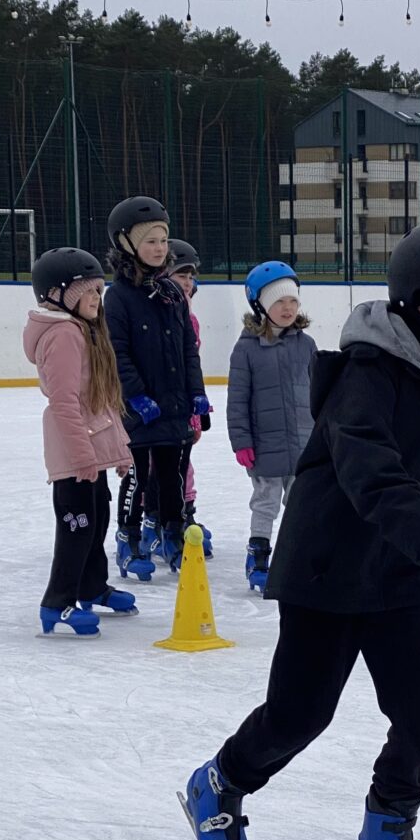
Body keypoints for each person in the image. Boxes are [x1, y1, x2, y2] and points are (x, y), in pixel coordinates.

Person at [179, 220, 420, 840]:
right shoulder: (369, 376)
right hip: (327, 567)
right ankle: (219, 783)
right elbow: (373, 475)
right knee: (300, 715)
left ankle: (386, 839)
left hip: (389, 567)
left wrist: (418, 547)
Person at [23, 247, 135, 637]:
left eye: (99, 291)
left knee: (97, 518)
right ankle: (57, 602)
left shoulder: (84, 330)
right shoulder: (64, 334)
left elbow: (99, 401)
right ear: (60, 295)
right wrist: (83, 455)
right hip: (75, 451)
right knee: (77, 526)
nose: (96, 299)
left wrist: (116, 451)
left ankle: (91, 586)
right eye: (87, 291)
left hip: (90, 448)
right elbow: (65, 403)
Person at [104, 196, 210, 579]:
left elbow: (187, 349)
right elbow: (118, 352)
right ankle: (129, 538)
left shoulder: (171, 294)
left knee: (172, 476)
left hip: (174, 403)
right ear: (127, 243)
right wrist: (135, 396)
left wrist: (196, 392)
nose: (159, 248)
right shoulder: (117, 298)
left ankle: (173, 535)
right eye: (150, 240)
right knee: (135, 476)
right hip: (140, 407)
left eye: (163, 240)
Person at [227, 261, 317, 592]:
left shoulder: (306, 345)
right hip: (264, 445)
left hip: (304, 443)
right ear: (260, 305)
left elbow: (317, 393)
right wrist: (242, 442)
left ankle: (297, 557)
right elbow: (237, 400)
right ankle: (259, 556)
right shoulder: (247, 348)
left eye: (293, 301)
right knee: (265, 502)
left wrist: (323, 435)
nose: (288, 308)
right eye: (279, 301)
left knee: (301, 504)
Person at [142, 238, 213, 562]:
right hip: (153, 407)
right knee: (154, 467)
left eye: (190, 276)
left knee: (182, 465)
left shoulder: (191, 319)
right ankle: (151, 521)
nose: (187, 282)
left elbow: (190, 365)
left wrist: (196, 411)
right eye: (180, 275)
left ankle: (185, 514)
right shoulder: (152, 313)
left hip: (181, 407)